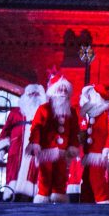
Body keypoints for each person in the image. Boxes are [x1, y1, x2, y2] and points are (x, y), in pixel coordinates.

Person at [27, 72, 80, 203]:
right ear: (53, 91)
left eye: (65, 89)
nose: (62, 92)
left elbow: (74, 131)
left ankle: (59, 200)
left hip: (63, 151)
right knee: (45, 177)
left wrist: (73, 146)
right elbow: (36, 127)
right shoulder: (44, 109)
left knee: (61, 177)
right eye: (60, 89)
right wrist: (35, 143)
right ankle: (43, 201)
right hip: (47, 150)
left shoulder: (71, 111)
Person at [0, 83, 46, 201]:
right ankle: (11, 197)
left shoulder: (45, 113)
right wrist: (3, 147)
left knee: (34, 173)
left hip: (36, 148)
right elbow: (6, 131)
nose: (34, 96)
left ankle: (33, 198)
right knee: (14, 173)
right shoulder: (15, 112)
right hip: (16, 148)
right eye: (31, 94)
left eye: (36, 94)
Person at [77, 83, 109, 204]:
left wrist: (107, 148)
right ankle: (86, 203)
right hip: (90, 152)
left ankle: (103, 201)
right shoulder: (92, 113)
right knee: (87, 179)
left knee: (96, 178)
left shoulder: (106, 114)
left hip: (99, 152)